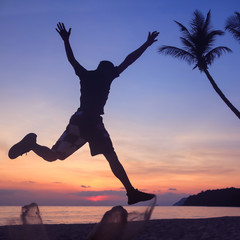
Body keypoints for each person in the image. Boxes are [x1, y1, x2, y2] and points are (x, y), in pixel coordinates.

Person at [8, 22, 159, 205]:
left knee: (55, 156)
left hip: (78, 120)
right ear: (105, 70)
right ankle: (131, 192)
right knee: (111, 156)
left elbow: (72, 60)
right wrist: (146, 44)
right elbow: (128, 61)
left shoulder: (86, 75)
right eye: (112, 70)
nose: (114, 72)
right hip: (91, 122)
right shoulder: (106, 76)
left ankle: (32, 145)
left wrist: (66, 40)